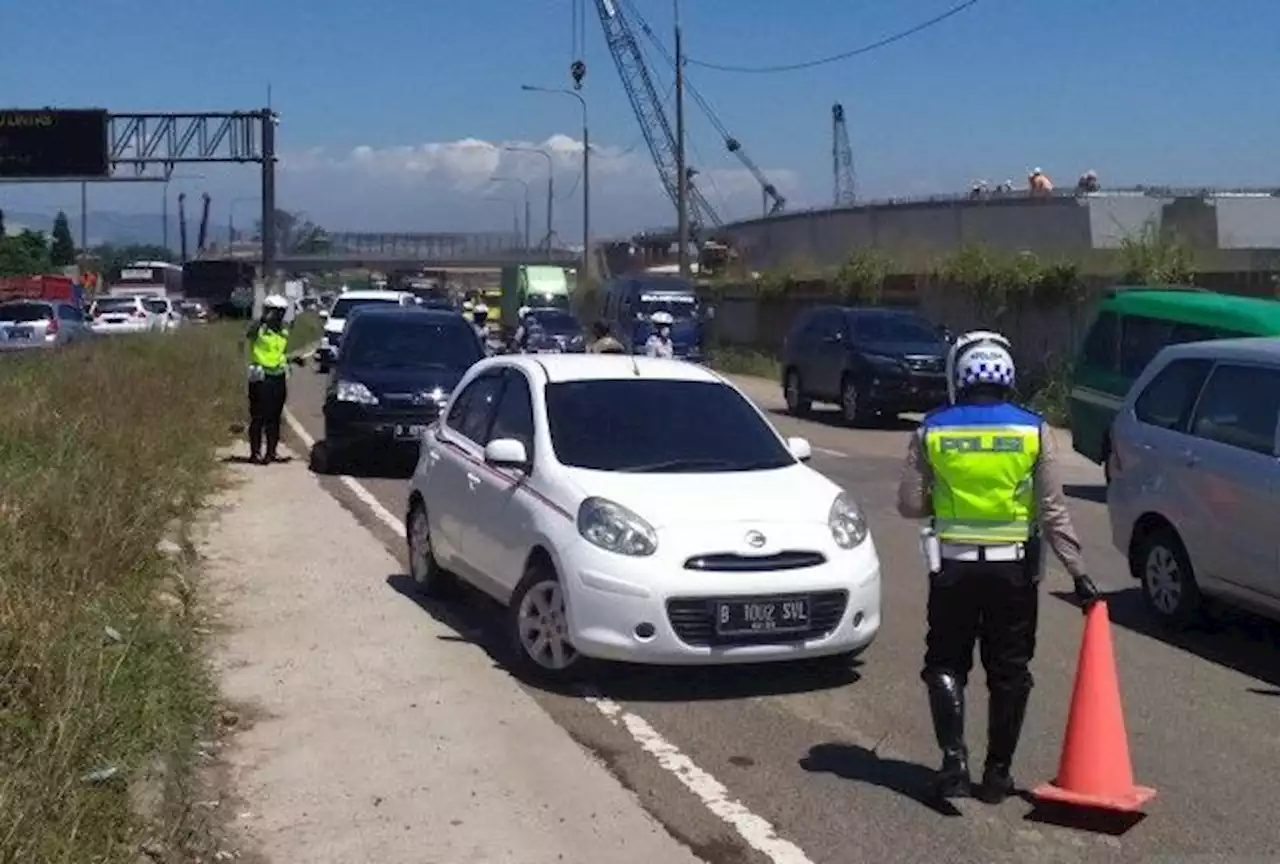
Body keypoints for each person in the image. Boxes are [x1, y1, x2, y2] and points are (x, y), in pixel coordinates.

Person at [896, 330, 1100, 804]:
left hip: (952, 570)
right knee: (1010, 669)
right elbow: (1053, 510)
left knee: (946, 662)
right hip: (1013, 574)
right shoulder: (1032, 429)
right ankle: (997, 775)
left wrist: (939, 497)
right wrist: (1079, 573)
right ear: (1008, 377)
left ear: (961, 377)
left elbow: (909, 504)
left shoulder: (932, 428)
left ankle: (953, 763)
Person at [244, 295, 301, 465]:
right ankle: (255, 453)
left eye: (282, 312)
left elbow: (279, 353)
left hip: (278, 376)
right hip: (261, 377)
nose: (279, 316)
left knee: (275, 417)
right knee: (258, 416)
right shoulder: (259, 329)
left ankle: (271, 452)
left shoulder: (283, 331)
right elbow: (249, 333)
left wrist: (292, 359)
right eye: (276, 312)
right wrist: (263, 319)